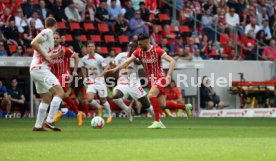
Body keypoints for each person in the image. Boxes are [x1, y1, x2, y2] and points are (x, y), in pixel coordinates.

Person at [107, 33, 192, 129]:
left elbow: (172, 61)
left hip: (160, 78)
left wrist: (168, 75)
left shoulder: (157, 50)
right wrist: (115, 69)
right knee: (162, 105)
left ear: (147, 42)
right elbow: (127, 62)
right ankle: (185, 107)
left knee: (151, 95)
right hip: (151, 80)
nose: (139, 46)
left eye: (140, 44)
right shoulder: (139, 51)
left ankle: (157, 122)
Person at [30, 17, 65, 132]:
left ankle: (38, 126)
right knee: (59, 92)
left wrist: (57, 54)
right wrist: (46, 56)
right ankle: (50, 121)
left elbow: (45, 55)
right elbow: (33, 43)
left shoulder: (47, 39)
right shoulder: (48, 32)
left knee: (46, 97)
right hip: (41, 69)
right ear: (55, 25)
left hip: (36, 69)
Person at [112, 40, 154, 122]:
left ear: (136, 48)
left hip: (134, 83)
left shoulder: (138, 56)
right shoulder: (120, 56)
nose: (131, 48)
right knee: (115, 96)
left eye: (133, 47)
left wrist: (133, 57)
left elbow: (139, 63)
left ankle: (157, 120)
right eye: (130, 46)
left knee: (146, 104)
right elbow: (115, 67)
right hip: (122, 83)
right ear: (128, 47)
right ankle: (127, 110)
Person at [48, 32, 85, 126]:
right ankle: (78, 113)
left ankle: (57, 113)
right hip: (54, 77)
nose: (55, 39)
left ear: (60, 40)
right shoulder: (49, 51)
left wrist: (75, 70)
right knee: (63, 95)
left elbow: (76, 56)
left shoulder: (64, 50)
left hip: (65, 75)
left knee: (56, 94)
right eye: (54, 38)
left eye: (57, 38)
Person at [81, 41, 112, 123]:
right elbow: (83, 68)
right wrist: (85, 77)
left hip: (100, 80)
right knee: (89, 99)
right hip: (91, 80)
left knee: (103, 99)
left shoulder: (100, 58)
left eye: (92, 46)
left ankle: (109, 115)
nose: (90, 48)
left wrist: (100, 75)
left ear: (94, 48)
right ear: (87, 48)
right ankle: (99, 108)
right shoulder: (84, 59)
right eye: (89, 46)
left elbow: (106, 68)